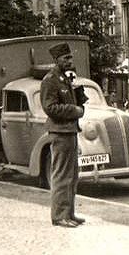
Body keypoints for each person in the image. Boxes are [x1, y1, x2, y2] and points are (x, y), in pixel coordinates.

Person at [40, 42, 86, 228]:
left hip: (70, 131)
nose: (69, 61)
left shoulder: (66, 79)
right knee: (61, 175)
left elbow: (75, 100)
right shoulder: (50, 80)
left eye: (70, 57)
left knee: (72, 175)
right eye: (65, 58)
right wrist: (74, 110)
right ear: (56, 60)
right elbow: (49, 107)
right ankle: (59, 216)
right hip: (60, 132)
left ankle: (69, 213)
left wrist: (78, 93)